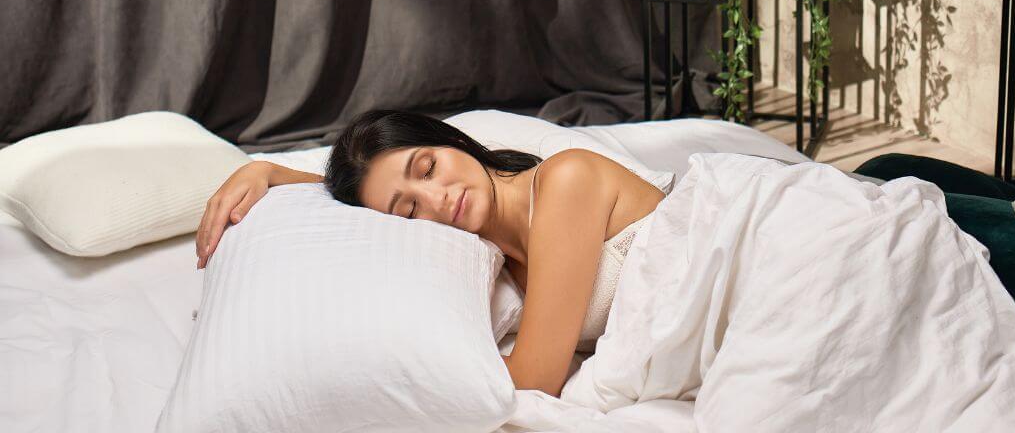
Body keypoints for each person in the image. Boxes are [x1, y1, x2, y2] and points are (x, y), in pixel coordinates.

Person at [194, 109, 665, 398]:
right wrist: (272, 173)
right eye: (411, 210)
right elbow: (371, 207)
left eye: (429, 168)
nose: (439, 199)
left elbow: (534, 379)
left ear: (452, 141)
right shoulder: (495, 251)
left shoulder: (566, 181)